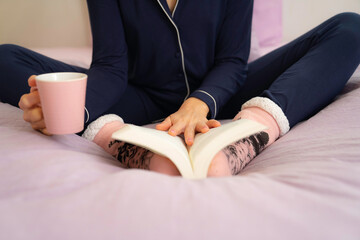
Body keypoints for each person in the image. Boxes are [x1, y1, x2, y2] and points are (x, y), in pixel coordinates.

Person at [0, 0, 359, 177]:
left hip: (224, 91)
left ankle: (251, 133)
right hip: (137, 95)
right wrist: (69, 110)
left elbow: (232, 60)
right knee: (6, 57)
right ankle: (123, 142)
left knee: (349, 28)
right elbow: (111, 66)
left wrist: (199, 102)